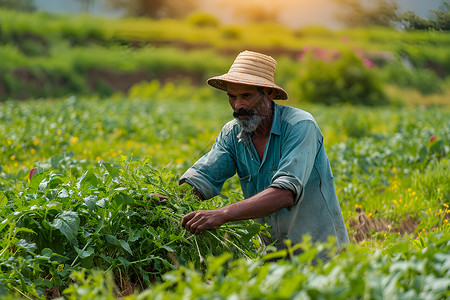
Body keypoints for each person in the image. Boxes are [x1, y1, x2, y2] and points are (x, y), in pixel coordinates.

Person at [179, 50, 349, 261]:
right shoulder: (232, 134)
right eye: (232, 97)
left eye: (246, 96)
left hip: (321, 256)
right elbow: (203, 178)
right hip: (272, 258)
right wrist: (169, 201)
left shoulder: (300, 126)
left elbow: (285, 193)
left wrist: (222, 214)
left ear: (268, 93)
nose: (238, 106)